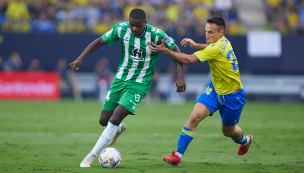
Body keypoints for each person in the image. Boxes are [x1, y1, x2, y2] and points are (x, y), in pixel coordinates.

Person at [69, 8, 186, 167]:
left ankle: (89, 158)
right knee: (104, 120)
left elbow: (176, 51)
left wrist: (180, 76)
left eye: (138, 26)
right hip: (120, 79)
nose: (134, 28)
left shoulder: (157, 34)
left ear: (145, 23)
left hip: (139, 84)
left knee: (115, 118)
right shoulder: (121, 28)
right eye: (132, 25)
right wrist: (80, 58)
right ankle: (116, 130)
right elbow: (99, 41)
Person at [150, 16, 253, 166]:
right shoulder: (223, 42)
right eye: (206, 31)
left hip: (233, 96)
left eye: (211, 32)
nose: (207, 35)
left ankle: (246, 141)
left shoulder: (217, 48)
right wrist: (196, 45)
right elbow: (210, 48)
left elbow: (187, 60)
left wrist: (165, 50)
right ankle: (178, 156)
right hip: (214, 90)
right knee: (194, 117)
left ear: (221, 32)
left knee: (228, 131)